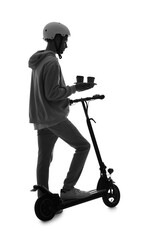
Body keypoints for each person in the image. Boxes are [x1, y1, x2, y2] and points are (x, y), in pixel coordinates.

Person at [28, 22, 95, 200]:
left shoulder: (39, 61)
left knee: (44, 158)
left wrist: (66, 98)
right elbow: (52, 93)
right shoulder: (51, 62)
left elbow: (44, 93)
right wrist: (75, 88)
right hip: (53, 118)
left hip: (41, 117)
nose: (66, 45)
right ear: (57, 38)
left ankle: (44, 199)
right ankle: (68, 190)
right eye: (65, 40)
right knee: (83, 146)